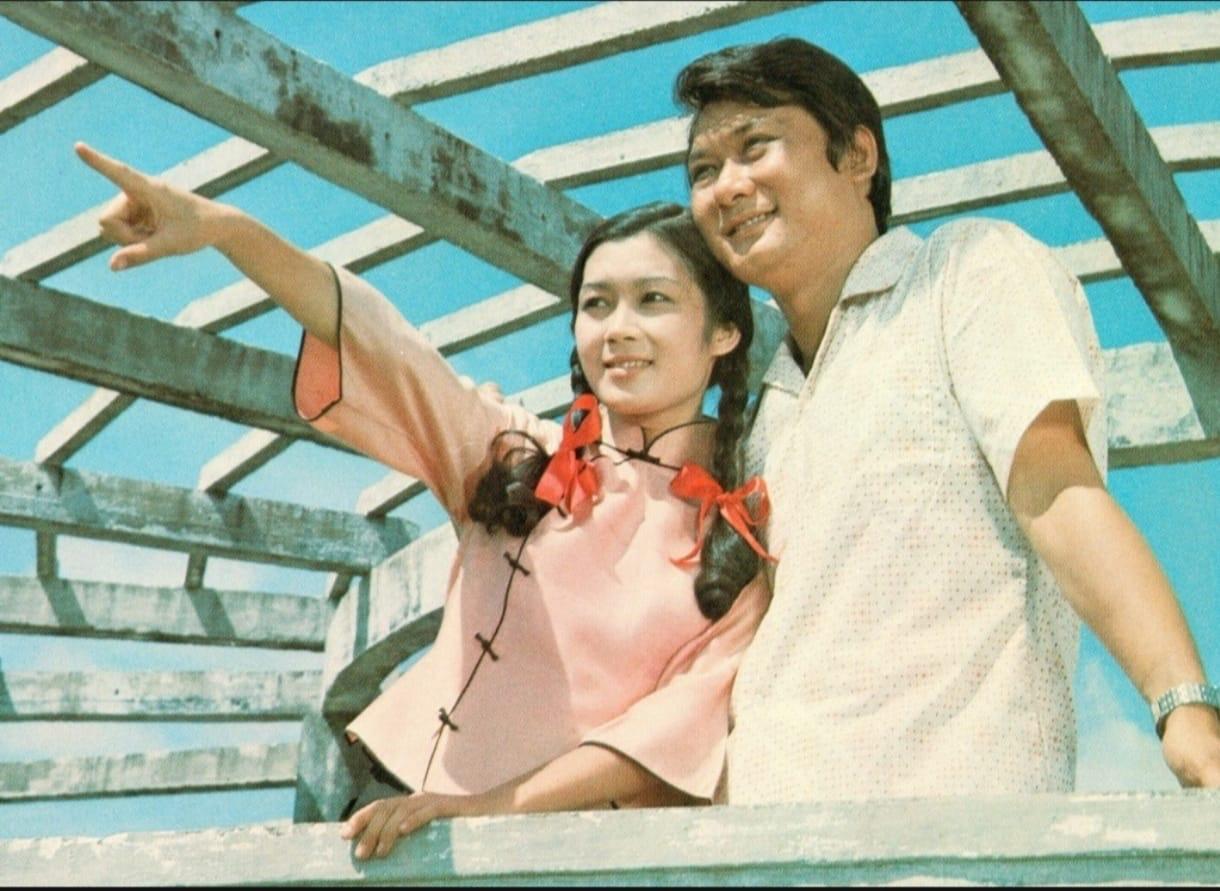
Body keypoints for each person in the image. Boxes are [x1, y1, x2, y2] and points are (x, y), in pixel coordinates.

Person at [74, 143, 773, 858]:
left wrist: (481, 810)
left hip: (558, 853)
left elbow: (667, 735)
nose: (618, 328)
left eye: (653, 299)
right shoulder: (516, 451)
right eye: (596, 304)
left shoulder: (734, 542)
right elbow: (388, 347)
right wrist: (226, 229)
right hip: (385, 812)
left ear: (723, 331)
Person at [674, 38, 1220, 802]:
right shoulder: (765, 405)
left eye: (754, 146)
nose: (726, 187)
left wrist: (1183, 707)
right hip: (766, 832)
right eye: (703, 171)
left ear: (858, 155)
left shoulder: (963, 272)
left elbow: (1058, 489)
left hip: (949, 823)